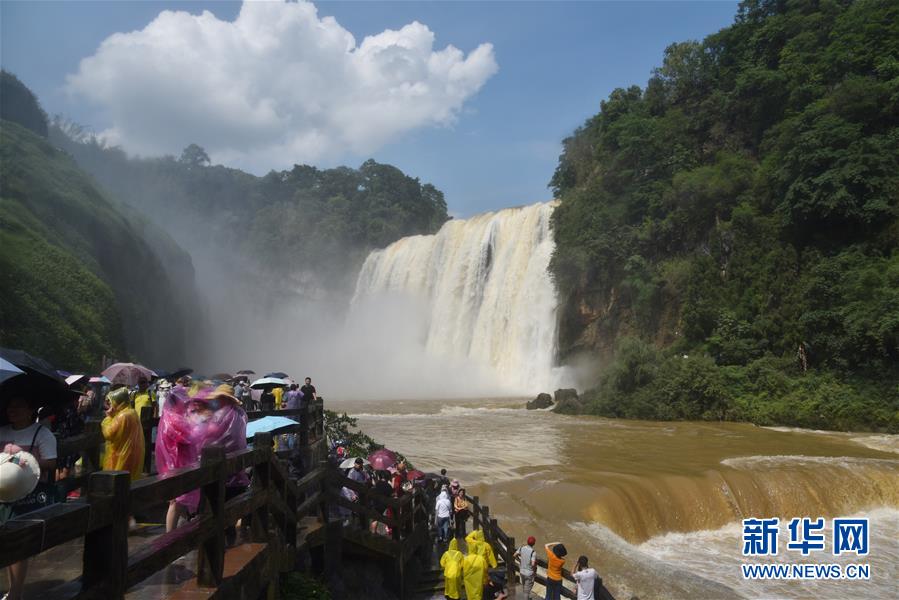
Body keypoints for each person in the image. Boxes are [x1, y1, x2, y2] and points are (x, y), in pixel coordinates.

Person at [0, 393, 58, 600]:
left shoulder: (42, 433)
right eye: (10, 406)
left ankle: (16, 591)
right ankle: (12, 589)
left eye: (18, 405)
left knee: (18, 543)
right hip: (4, 494)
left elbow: (51, 462)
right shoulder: (2, 431)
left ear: (30, 409)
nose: (12, 410)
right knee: (6, 540)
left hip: (28, 494)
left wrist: (25, 461)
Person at [156, 384, 199, 532]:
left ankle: (180, 532)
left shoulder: (171, 416)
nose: (187, 404)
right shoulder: (174, 419)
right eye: (185, 402)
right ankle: (169, 538)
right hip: (176, 465)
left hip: (175, 464)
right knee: (176, 502)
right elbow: (188, 438)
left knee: (179, 501)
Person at [101, 387, 145, 480]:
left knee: (118, 481)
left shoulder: (122, 416)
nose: (110, 405)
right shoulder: (132, 412)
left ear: (118, 401)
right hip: (132, 451)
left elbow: (108, 434)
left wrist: (108, 418)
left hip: (121, 455)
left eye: (112, 402)